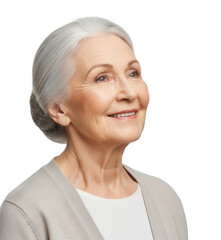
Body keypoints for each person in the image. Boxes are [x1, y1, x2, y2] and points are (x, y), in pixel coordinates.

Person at [0, 17, 188, 240]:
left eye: (133, 73)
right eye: (101, 78)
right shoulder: (28, 211)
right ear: (59, 109)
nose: (129, 93)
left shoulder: (165, 199)